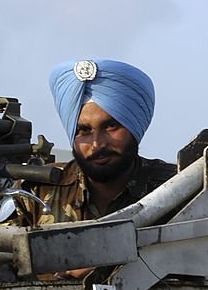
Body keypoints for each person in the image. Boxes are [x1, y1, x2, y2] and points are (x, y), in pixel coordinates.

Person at [12, 58, 176, 228]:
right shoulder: (34, 191)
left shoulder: (178, 187)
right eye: (84, 131)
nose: (97, 144)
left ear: (134, 127)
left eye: (110, 126)